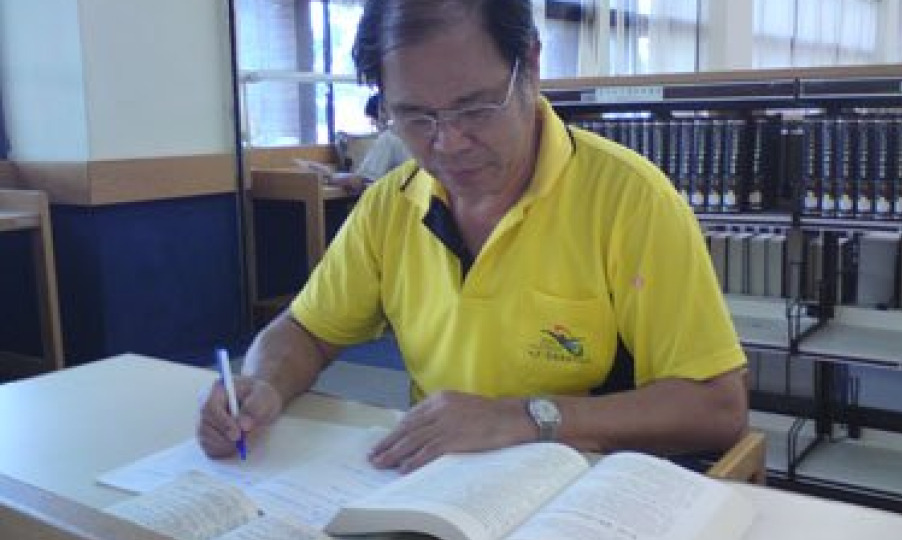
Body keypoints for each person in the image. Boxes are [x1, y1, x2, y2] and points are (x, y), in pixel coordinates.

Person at [199, 0, 748, 474]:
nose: (449, 143)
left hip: (580, 492)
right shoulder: (390, 205)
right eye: (414, 116)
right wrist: (263, 383)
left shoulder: (630, 199)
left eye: (475, 108)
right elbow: (306, 331)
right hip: (434, 489)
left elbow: (718, 408)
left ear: (530, 66)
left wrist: (525, 417)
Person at [328, 93, 411, 194]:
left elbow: (361, 182)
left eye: (372, 120)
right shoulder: (418, 133)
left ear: (384, 111)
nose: (373, 124)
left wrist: (330, 176)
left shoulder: (389, 137)